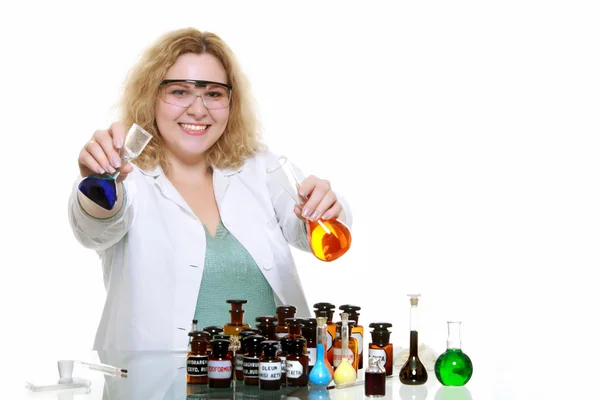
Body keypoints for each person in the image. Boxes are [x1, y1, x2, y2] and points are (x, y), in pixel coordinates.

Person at [68, 27, 352, 351]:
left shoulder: (258, 168)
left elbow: (313, 228)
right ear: (151, 97)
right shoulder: (128, 177)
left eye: (214, 94)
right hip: (158, 388)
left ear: (231, 102)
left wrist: (327, 205)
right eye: (179, 92)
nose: (199, 109)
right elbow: (93, 229)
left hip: (271, 381)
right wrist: (97, 183)